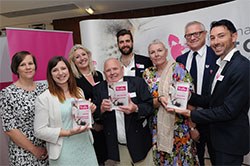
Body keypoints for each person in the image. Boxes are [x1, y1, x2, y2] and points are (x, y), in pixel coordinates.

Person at [172, 19, 250, 165]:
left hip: (229, 139)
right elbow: (213, 99)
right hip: (219, 134)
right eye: (213, 38)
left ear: (234, 37)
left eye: (221, 36)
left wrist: (191, 114)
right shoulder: (223, 63)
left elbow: (228, 110)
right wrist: (188, 96)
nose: (215, 42)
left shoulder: (241, 67)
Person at [142, 39, 199, 165]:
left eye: (160, 50)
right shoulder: (147, 74)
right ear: (149, 56)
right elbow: (146, 102)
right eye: (152, 52)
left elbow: (189, 99)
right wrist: (159, 100)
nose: (156, 54)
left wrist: (193, 126)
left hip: (179, 127)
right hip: (158, 129)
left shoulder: (178, 69)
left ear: (166, 52)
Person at [34, 56, 98, 165]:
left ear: (69, 70)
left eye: (63, 68)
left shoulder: (79, 92)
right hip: (63, 151)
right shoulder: (44, 98)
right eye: (55, 70)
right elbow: (39, 131)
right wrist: (68, 132)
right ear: (50, 75)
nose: (60, 73)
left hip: (85, 146)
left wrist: (89, 111)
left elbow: (85, 121)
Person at [93, 57, 153, 165]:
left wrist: (136, 108)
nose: (112, 73)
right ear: (104, 73)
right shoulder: (99, 89)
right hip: (118, 147)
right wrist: (101, 109)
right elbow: (95, 116)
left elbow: (149, 106)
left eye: (115, 69)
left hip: (140, 144)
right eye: (108, 70)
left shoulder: (137, 83)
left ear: (122, 69)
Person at [176, 21, 217, 165]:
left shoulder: (217, 57)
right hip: (189, 120)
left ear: (205, 34)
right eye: (188, 35)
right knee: (195, 161)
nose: (192, 37)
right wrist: (191, 124)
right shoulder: (180, 60)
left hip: (214, 119)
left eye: (196, 33)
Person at [0, 51, 48, 165]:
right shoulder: (7, 93)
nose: (28, 67)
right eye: (22, 65)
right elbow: (10, 129)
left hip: (48, 151)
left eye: (30, 63)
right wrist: (34, 150)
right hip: (23, 154)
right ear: (16, 69)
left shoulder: (44, 89)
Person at [68, 44, 108, 165]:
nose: (82, 58)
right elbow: (74, 105)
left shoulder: (99, 75)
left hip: (105, 121)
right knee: (96, 159)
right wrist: (94, 124)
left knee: (108, 158)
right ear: (73, 62)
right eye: (77, 57)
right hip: (89, 127)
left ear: (88, 56)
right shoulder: (73, 80)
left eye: (83, 55)